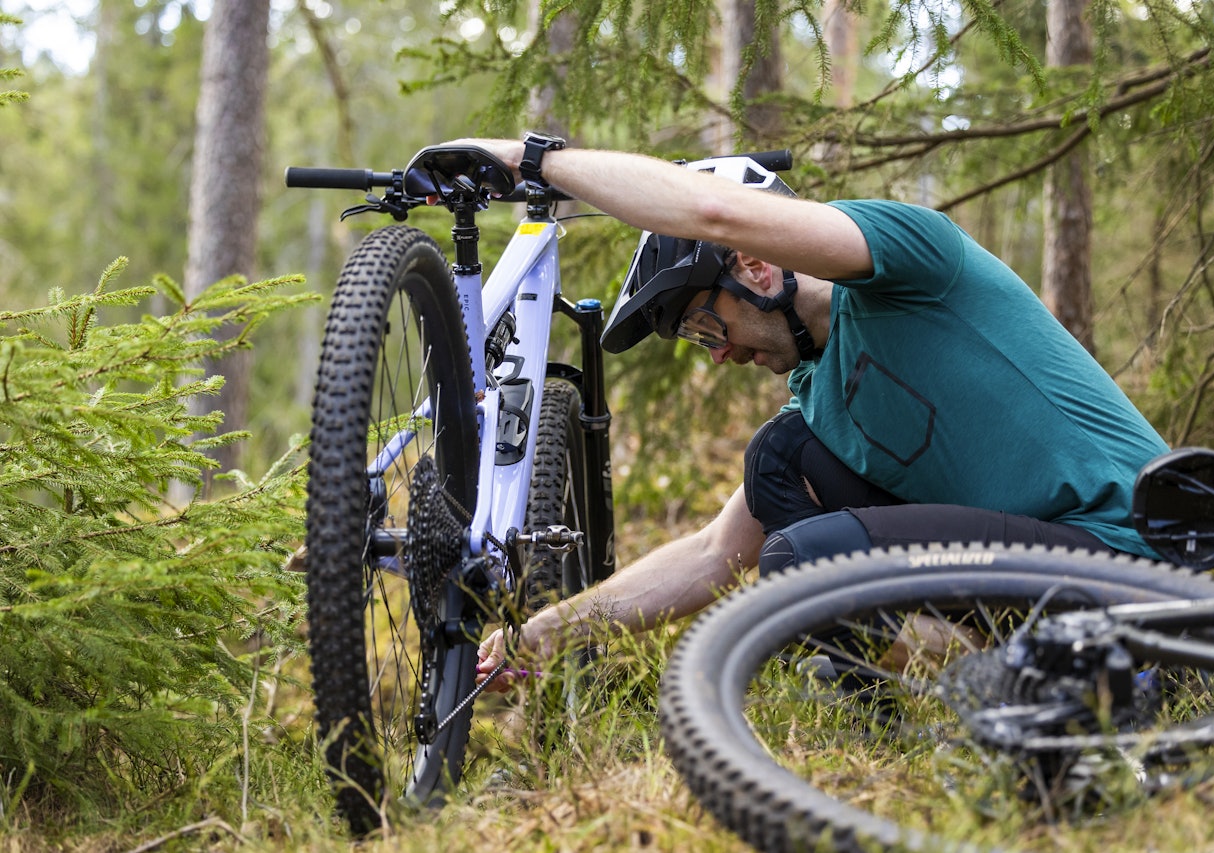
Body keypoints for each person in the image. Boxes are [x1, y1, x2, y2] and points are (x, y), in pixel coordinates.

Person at [461, 135, 1171, 691]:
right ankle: (998, 672)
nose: (719, 354)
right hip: (1032, 569)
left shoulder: (909, 261)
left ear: (755, 267)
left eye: (707, 326)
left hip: (1133, 554)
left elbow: (714, 212)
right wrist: (547, 629)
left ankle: (1033, 679)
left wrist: (533, 160)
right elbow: (712, 555)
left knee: (804, 563)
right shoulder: (819, 395)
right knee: (777, 458)